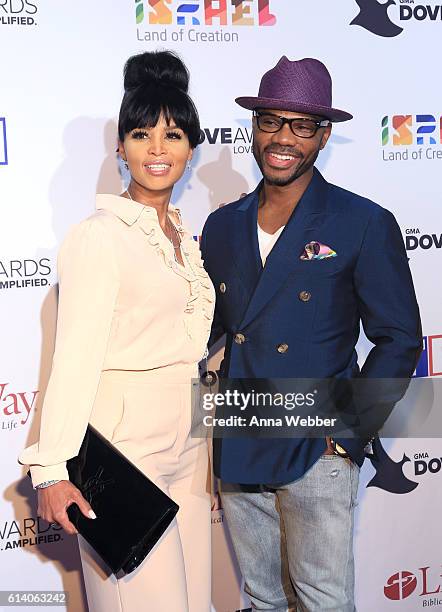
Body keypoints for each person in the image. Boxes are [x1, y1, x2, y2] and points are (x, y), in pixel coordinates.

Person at [200, 56, 422, 611]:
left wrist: (347, 431)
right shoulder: (222, 226)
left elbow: (399, 338)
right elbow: (207, 329)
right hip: (242, 435)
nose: (282, 138)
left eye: (301, 126)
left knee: (323, 600)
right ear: (253, 128)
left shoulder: (362, 222)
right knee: (262, 599)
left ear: (323, 136)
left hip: (315, 447)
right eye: (270, 121)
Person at [19, 50, 215, 612]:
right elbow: (74, 357)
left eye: (173, 135)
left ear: (190, 148)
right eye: (141, 133)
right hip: (127, 450)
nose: (158, 150)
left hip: (189, 444)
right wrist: (52, 468)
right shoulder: (99, 237)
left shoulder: (181, 237)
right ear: (120, 147)